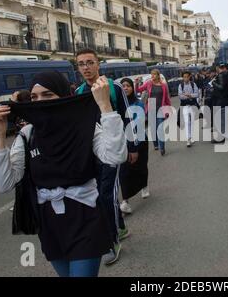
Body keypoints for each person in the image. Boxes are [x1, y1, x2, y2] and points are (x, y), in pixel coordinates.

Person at [0, 71, 128, 277]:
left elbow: (116, 156)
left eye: (48, 95)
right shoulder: (28, 134)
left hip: (85, 217)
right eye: (35, 97)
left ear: (63, 97)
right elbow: (4, 184)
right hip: (49, 224)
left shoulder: (85, 127)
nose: (39, 102)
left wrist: (105, 107)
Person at [74, 48, 137, 265]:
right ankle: (121, 228)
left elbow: (129, 118)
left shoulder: (114, 87)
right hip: (92, 152)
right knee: (103, 195)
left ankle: (111, 243)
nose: (86, 67)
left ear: (98, 64)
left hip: (114, 149)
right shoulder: (79, 91)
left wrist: (133, 146)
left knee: (105, 196)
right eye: (81, 64)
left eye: (89, 62)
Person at [119, 78, 150, 214]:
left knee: (141, 166)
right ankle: (125, 201)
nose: (125, 88)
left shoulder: (138, 103)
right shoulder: (117, 104)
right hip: (123, 142)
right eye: (123, 86)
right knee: (125, 172)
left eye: (128, 86)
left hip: (140, 139)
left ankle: (144, 185)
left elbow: (140, 122)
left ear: (132, 88)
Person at [136, 69, 172, 156]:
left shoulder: (163, 86)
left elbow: (167, 98)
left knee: (159, 128)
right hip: (151, 108)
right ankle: (155, 144)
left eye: (154, 74)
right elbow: (138, 90)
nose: (152, 76)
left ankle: (162, 147)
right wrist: (136, 83)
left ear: (158, 75)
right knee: (153, 128)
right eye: (151, 74)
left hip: (160, 109)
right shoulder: (149, 84)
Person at [211, 62, 228, 143]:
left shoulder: (222, 75)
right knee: (225, 118)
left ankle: (221, 137)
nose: (219, 69)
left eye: (221, 68)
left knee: (220, 118)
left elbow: (221, 87)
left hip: (222, 99)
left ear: (225, 68)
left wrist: (214, 83)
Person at [178, 71, 200, 147]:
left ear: (190, 76)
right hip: (185, 106)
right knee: (187, 122)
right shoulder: (180, 85)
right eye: (184, 77)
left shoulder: (194, 84)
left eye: (187, 76)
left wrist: (189, 95)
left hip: (193, 105)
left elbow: (197, 94)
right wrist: (189, 96)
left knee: (192, 122)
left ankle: (192, 137)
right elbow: (180, 96)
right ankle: (188, 139)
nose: (185, 78)